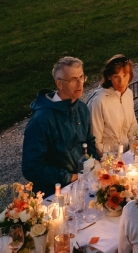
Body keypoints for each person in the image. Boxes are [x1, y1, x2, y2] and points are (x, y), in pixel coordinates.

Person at [22, 56, 101, 196]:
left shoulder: (81, 108)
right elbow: (32, 168)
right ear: (59, 84)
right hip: (56, 194)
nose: (80, 84)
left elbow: (89, 142)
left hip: (85, 183)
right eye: (73, 79)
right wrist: (69, 177)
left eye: (81, 77)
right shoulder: (42, 120)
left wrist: (96, 163)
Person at [87, 54, 137, 156]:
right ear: (109, 76)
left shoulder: (128, 94)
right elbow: (95, 140)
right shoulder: (99, 101)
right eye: (116, 76)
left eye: (125, 75)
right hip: (108, 157)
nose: (121, 82)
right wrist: (110, 160)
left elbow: (133, 125)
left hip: (128, 153)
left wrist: (133, 149)